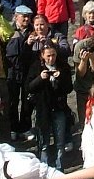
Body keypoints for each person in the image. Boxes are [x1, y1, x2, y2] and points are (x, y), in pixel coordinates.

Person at [28, 42, 73, 170]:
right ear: (42, 55)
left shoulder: (63, 67)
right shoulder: (36, 67)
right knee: (44, 142)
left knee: (60, 141)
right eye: (48, 56)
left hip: (59, 108)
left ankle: (59, 167)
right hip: (43, 109)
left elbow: (69, 88)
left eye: (53, 55)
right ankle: (44, 167)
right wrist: (40, 79)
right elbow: (29, 87)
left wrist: (61, 78)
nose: (51, 58)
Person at [4, 6, 36, 140]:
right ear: (16, 16)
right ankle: (13, 128)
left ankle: (25, 127)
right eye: (24, 16)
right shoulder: (9, 31)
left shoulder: (32, 32)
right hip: (12, 71)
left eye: (28, 17)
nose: (27, 19)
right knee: (12, 101)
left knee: (27, 101)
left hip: (27, 70)